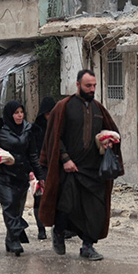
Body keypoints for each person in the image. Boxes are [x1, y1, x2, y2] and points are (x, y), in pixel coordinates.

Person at [39, 70, 124, 261]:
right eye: (88, 86)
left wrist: (108, 142)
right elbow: (54, 137)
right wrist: (66, 159)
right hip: (70, 169)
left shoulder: (98, 109)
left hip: (93, 171)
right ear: (78, 85)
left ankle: (87, 246)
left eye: (94, 86)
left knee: (95, 210)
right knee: (66, 206)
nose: (92, 89)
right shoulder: (64, 107)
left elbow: (111, 132)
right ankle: (59, 232)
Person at [0, 100, 46, 256]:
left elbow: (33, 155)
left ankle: (10, 237)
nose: (19, 115)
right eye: (16, 113)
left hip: (21, 175)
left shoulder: (28, 130)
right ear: (10, 114)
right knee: (9, 206)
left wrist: (40, 176)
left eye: (21, 112)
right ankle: (15, 241)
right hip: (3, 175)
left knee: (17, 210)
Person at [31, 96, 56, 240]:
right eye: (48, 113)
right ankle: (41, 229)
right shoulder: (35, 130)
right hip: (40, 167)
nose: (50, 116)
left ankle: (59, 228)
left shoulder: (59, 128)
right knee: (39, 199)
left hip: (55, 167)